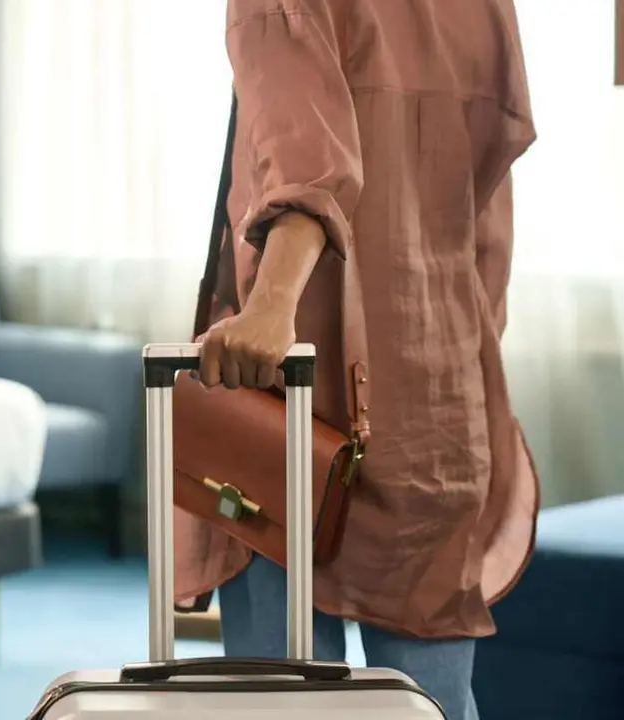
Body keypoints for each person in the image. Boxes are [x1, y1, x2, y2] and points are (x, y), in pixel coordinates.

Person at [173, 2, 541, 719]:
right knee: (431, 700)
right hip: (436, 393)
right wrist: (467, 356)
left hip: (287, 394)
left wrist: (271, 304)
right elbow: (487, 204)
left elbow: (307, 164)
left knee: (283, 702)